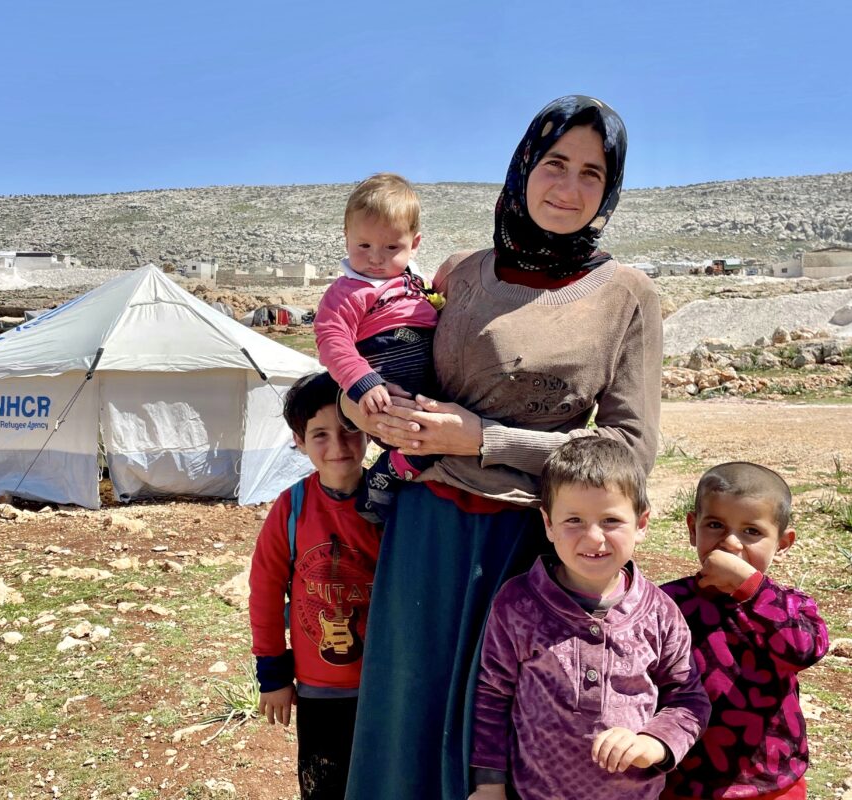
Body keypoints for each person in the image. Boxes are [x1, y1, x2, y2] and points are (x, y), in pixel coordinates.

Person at [341, 95, 664, 800]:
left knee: (509, 734)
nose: (569, 188)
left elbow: (630, 452)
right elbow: (382, 355)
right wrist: (362, 406)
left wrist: (483, 438)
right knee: (410, 717)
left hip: (531, 543)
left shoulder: (628, 295)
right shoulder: (459, 273)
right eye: (555, 164)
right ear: (523, 168)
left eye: (592, 173)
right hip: (427, 532)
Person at [469, 438, 709, 800]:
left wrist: (654, 744)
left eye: (611, 520)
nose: (593, 537)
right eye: (574, 521)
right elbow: (492, 697)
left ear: (641, 523)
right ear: (548, 524)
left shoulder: (660, 612)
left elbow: (688, 698)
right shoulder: (517, 605)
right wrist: (489, 786)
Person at [248, 372, 383, 800]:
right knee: (324, 785)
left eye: (349, 430)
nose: (338, 446)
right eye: (320, 434)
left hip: (385, 681)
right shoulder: (292, 508)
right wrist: (273, 674)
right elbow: (266, 592)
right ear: (299, 440)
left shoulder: (390, 503)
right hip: (319, 686)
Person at [659, 463, 830, 800]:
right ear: (693, 528)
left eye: (751, 531)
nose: (731, 544)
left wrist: (749, 586)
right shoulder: (667, 602)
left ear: (782, 543)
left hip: (772, 781)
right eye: (715, 525)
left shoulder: (791, 606)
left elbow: (803, 650)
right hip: (684, 781)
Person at [314, 173, 442, 520]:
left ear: (414, 244)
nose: (376, 258)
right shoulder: (347, 291)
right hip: (385, 388)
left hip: (430, 387)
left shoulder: (419, 284)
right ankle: (385, 475)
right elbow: (331, 338)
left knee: (446, 437)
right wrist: (363, 381)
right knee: (419, 441)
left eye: (391, 248)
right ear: (347, 239)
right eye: (364, 246)